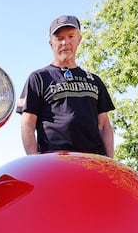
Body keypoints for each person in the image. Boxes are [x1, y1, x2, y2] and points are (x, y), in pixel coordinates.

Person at [17, 15, 115, 158]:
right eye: (59, 38)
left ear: (79, 39)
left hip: (93, 161)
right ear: (51, 43)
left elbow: (104, 125)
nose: (65, 42)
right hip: (54, 161)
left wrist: (110, 162)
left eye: (70, 36)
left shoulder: (94, 80)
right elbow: (27, 124)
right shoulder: (38, 78)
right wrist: (34, 160)